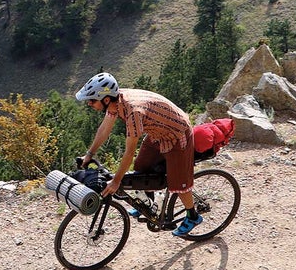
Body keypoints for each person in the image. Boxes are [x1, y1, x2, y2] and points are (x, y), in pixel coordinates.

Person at [74, 72, 203, 236]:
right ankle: (149, 205)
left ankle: (192, 215)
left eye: (91, 100)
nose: (89, 104)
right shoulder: (115, 103)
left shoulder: (133, 112)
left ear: (105, 100)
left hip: (177, 134)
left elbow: (129, 152)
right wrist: (89, 154)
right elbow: (103, 130)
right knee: (141, 167)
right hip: (157, 133)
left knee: (177, 183)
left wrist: (116, 181)